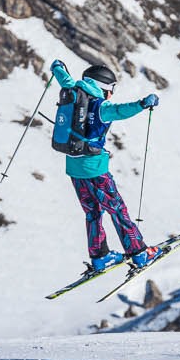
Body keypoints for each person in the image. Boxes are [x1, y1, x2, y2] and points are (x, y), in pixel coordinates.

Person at [50, 60, 162, 274]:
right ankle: (139, 253)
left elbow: (62, 75)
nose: (111, 94)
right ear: (104, 87)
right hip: (95, 170)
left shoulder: (72, 90)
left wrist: (57, 67)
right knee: (117, 210)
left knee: (92, 212)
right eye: (111, 89)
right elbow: (121, 111)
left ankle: (100, 257)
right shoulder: (100, 106)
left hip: (74, 168)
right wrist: (143, 103)